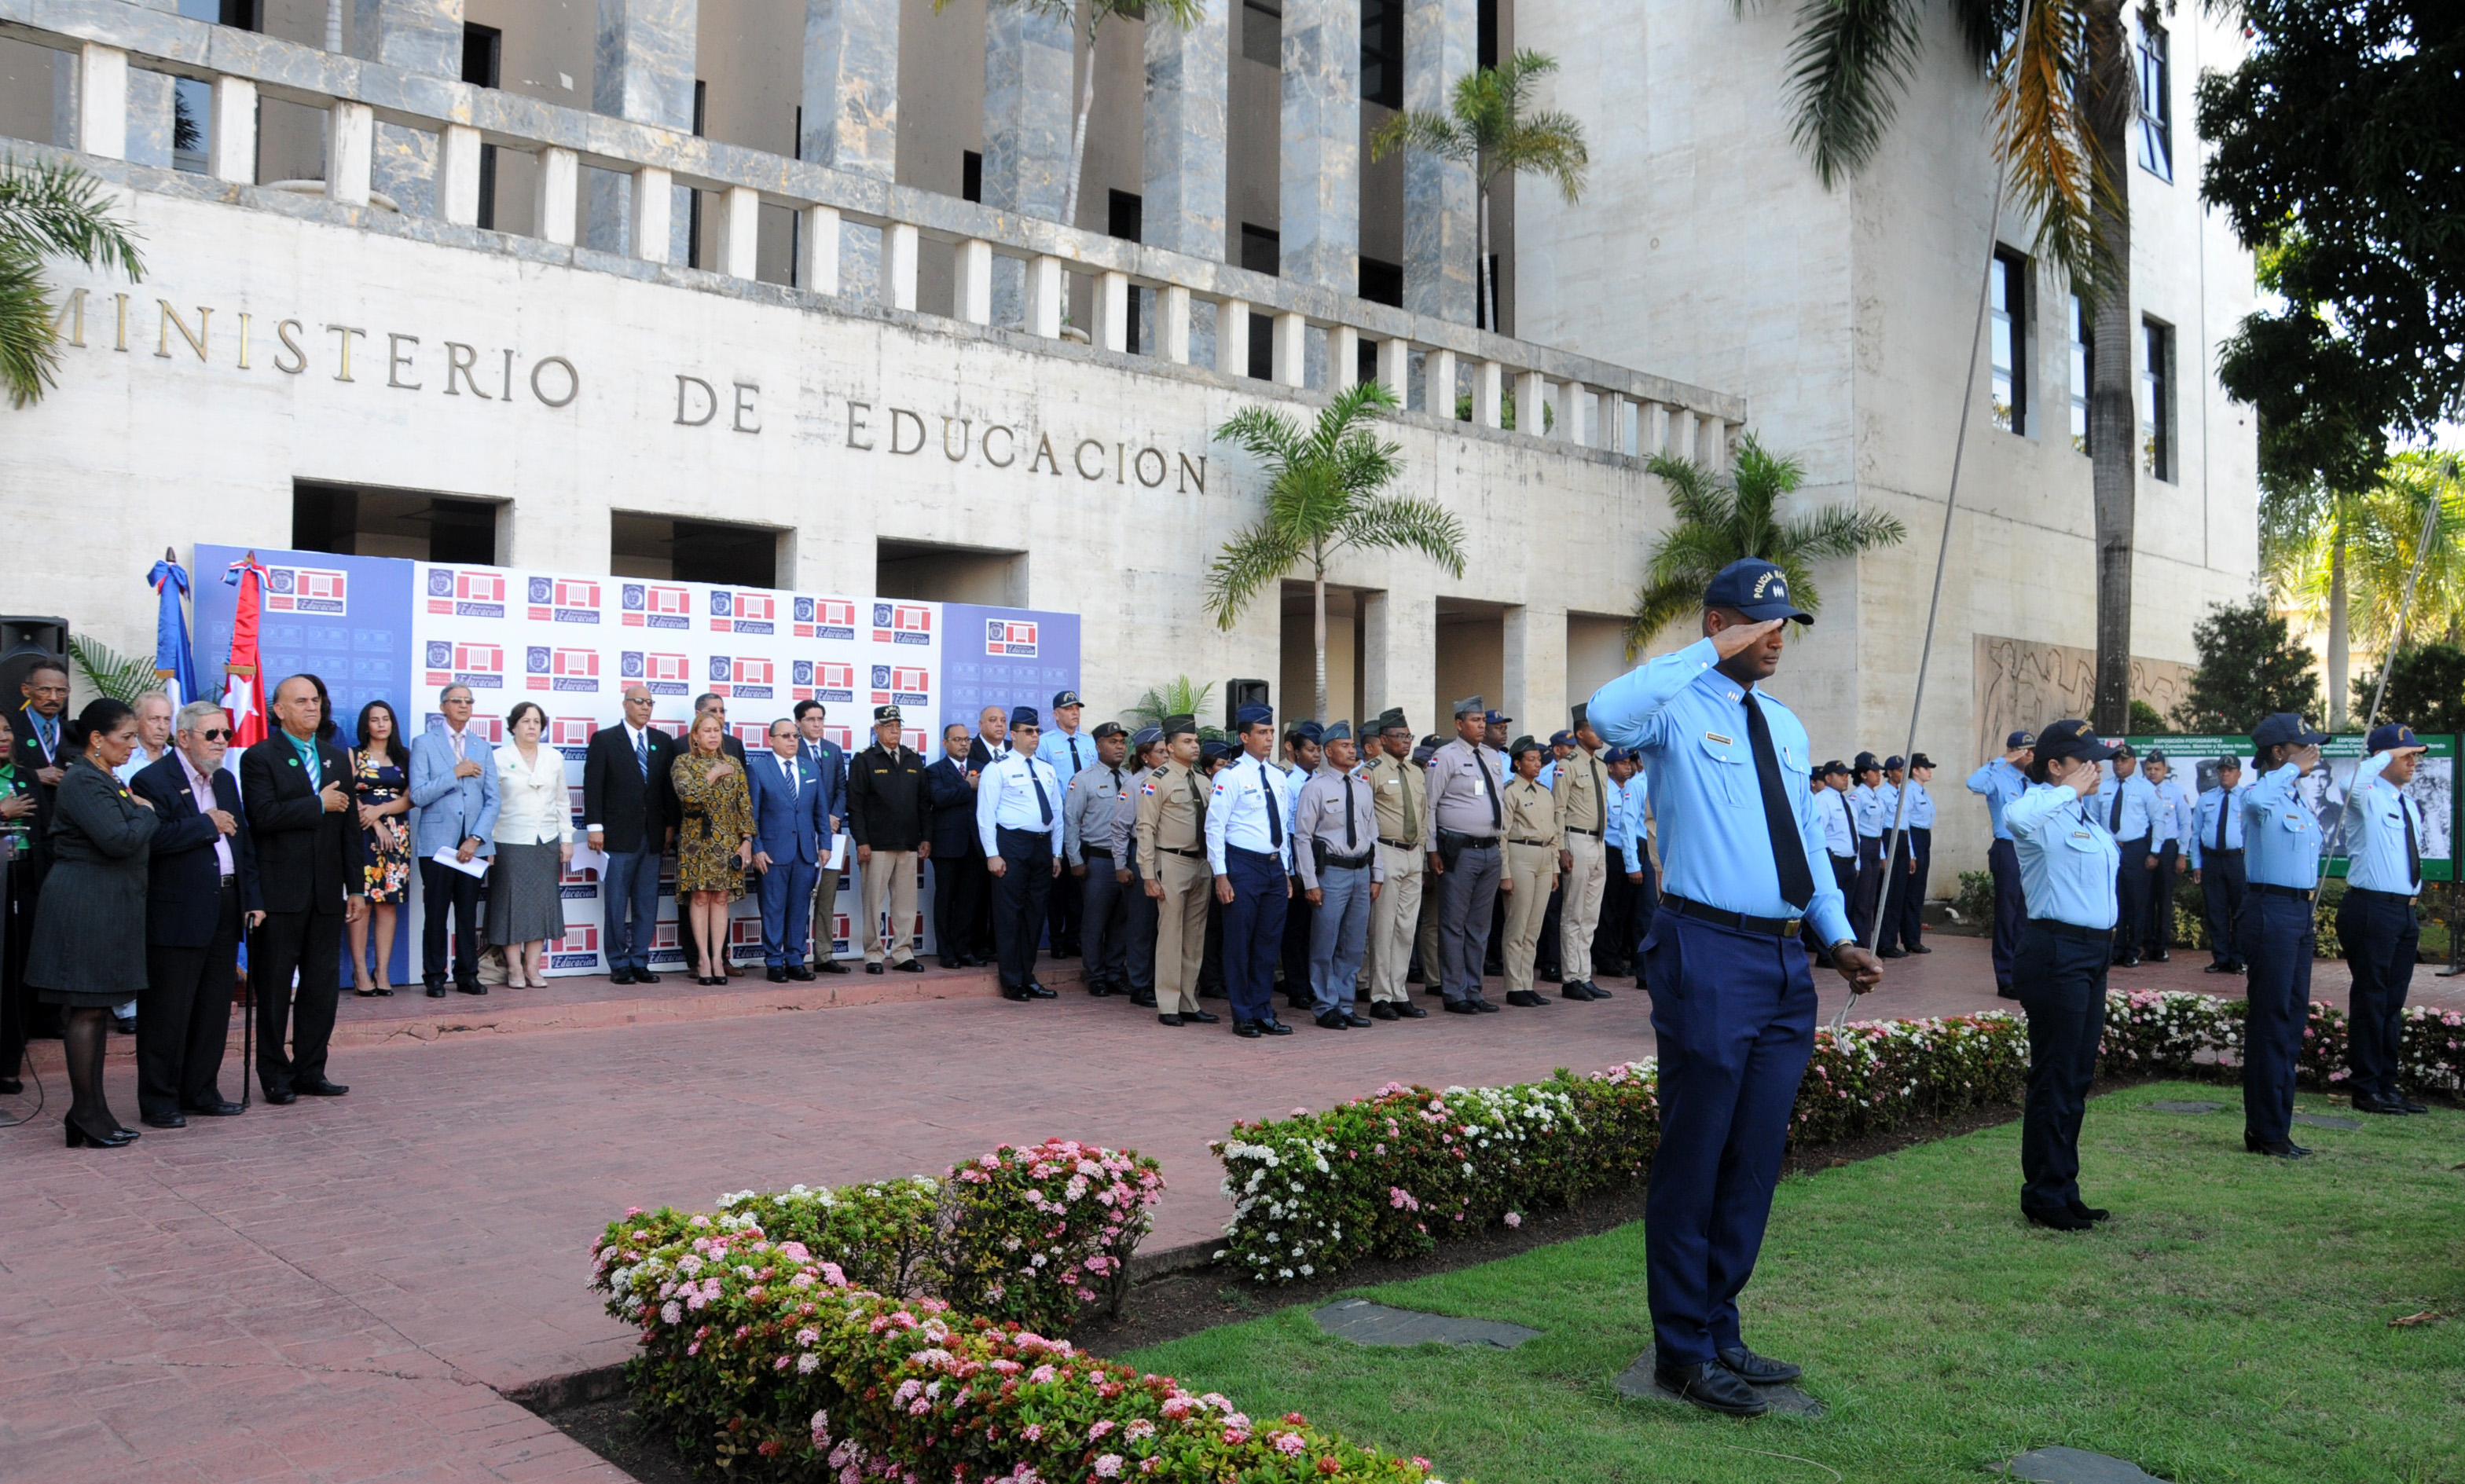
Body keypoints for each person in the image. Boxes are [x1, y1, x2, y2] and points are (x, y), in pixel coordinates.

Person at [1587, 557, 1882, 1417]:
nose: (1776, 638)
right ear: (1720, 622)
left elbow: (1803, 847)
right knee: (1697, 1149)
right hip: (1705, 947)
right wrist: (1705, 652)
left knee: (1751, 1157)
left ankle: (1719, 1324)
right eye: (1760, 623)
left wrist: (1837, 937)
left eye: (1783, 624)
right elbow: (1605, 715)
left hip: (1787, 957)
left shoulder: (1784, 727)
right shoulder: (1674, 709)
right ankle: (1678, 1347)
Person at [2005, 719, 2123, 1232]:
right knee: (2054, 1075)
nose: (2096, 768)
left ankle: (2063, 1184)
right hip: (2056, 950)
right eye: (2084, 761)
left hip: (2092, 954)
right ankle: (2043, 1194)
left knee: (2075, 1075)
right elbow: (2015, 813)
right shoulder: (2040, 812)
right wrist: (2061, 790)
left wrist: (2072, 793)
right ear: (2054, 766)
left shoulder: (2084, 817)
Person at [27, 698, 156, 1145]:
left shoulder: (105, 778)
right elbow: (119, 840)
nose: (132, 746)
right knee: (85, 1008)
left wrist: (136, 808)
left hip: (106, 903)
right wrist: (146, 810)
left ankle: (93, 1111)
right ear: (97, 740)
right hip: (85, 905)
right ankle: (85, 1113)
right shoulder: (83, 780)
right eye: (126, 738)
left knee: (97, 1010)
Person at [129, 701, 260, 1127]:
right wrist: (206, 824)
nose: (222, 742)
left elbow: (243, 844)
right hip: (177, 911)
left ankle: (201, 1091)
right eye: (212, 734)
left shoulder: (225, 780)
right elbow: (151, 840)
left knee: (212, 1007)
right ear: (183, 737)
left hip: (224, 905)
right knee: (168, 1010)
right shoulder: (151, 780)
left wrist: (252, 898)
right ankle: (160, 1100)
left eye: (226, 734)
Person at [240, 674, 367, 1103]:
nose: (312, 707)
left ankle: (311, 1070)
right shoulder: (259, 758)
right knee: (275, 989)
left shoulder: (334, 757)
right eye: (301, 701)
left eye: (316, 700)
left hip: (327, 893)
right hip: (280, 895)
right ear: (279, 710)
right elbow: (262, 816)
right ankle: (275, 1075)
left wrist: (357, 886)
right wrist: (317, 803)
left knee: (321, 988)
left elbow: (350, 829)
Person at [2239, 712, 2330, 1159]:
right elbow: (2257, 804)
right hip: (2269, 908)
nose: (2313, 753)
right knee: (2271, 1021)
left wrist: (2295, 772)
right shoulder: (2261, 792)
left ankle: (2279, 1126)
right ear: (2278, 752)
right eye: (2303, 746)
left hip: (2298, 911)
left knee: (2291, 1022)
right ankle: (2264, 1130)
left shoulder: (2294, 798)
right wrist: (2292, 769)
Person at [2338, 723, 2432, 1116]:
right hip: (2371, 908)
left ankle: (2386, 1085)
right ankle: (2364, 1088)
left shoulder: (2406, 802)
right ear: (2384, 758)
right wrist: (2382, 756)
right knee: (2371, 998)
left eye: (2414, 755)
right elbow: (2350, 782)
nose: (2412, 761)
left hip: (2404, 911)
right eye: (2405, 754)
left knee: (2392, 1003)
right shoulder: (2367, 794)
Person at [1207, 703, 1295, 1037]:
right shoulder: (1230, 776)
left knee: (1267, 944)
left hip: (1273, 867)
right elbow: (1215, 827)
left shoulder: (1277, 776)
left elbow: (1283, 828)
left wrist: (1285, 871)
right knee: (1239, 942)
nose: (1269, 738)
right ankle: (1242, 1013)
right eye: (1262, 733)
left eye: (1271, 732)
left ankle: (1263, 1010)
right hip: (1242, 865)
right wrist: (1221, 874)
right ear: (1245, 737)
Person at [408, 683, 500, 996]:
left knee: (466, 912)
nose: (463, 706)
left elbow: (493, 799)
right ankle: (434, 975)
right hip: (437, 844)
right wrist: (455, 773)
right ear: (443, 706)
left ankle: (467, 974)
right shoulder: (424, 743)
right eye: (456, 701)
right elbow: (419, 795)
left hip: (472, 845)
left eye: (468, 701)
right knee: (435, 912)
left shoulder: (482, 746)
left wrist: (476, 838)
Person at [583, 685, 678, 985]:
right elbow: (593, 785)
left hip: (652, 837)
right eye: (639, 701)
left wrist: (669, 826)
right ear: (625, 704)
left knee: (646, 903)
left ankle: (640, 960)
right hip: (617, 836)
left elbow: (666, 789)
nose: (645, 707)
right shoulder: (605, 739)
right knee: (615, 902)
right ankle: (618, 963)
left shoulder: (662, 742)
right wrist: (595, 827)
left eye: (650, 702)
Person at [1293, 720, 1378, 1030]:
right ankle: (1325, 1005)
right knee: (1325, 942)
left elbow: (1372, 832)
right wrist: (1311, 882)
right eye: (1344, 745)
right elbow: (1302, 837)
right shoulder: (1315, 788)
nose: (1351, 749)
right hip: (1331, 872)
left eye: (1352, 745)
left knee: (1353, 943)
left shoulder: (1362, 787)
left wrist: (1376, 873)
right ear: (1329, 751)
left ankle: (1345, 1004)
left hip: (1359, 871)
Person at [1425, 696, 1507, 1015]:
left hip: (1490, 850)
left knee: (1479, 926)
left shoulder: (1493, 756)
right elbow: (1429, 806)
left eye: (1483, 721)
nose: (1481, 725)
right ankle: (1454, 991)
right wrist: (1432, 849)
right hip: (1458, 850)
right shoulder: (1444, 757)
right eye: (1475, 721)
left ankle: (1474, 989)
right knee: (1454, 924)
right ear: (1459, 724)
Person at [1135, 715, 1217, 1028]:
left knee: (1194, 938)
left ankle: (1188, 1001)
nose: (1194, 746)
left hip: (1201, 863)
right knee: (1170, 936)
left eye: (1196, 741)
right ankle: (1168, 1003)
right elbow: (1145, 829)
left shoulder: (1203, 781)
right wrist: (1147, 874)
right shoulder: (1157, 780)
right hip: (1171, 862)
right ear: (1169, 747)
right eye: (1187, 741)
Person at [978, 705, 1063, 1002]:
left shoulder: (1047, 769)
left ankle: (1029, 977)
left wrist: (1056, 854)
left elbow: (1058, 814)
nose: (1035, 736)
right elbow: (985, 815)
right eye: (1029, 731)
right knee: (1009, 915)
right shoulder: (997, 768)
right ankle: (1011, 980)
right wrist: (993, 854)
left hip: (1042, 846)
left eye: (1038, 731)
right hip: (1011, 845)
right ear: (1013, 735)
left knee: (1035, 915)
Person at [487, 702, 570, 988]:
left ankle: (533, 968)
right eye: (525, 721)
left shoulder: (554, 757)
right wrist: (486, 844)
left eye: (537, 721)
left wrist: (567, 838)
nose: (532, 726)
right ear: (513, 726)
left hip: (545, 840)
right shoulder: (498, 757)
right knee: (510, 906)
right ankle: (513, 969)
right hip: (508, 841)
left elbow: (562, 801)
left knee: (540, 907)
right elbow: (490, 805)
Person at [848, 705, 932, 975]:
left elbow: (924, 802)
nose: (894, 731)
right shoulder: (864, 760)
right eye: (888, 726)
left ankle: (903, 953)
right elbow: (856, 804)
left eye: (898, 726)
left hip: (908, 843)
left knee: (906, 904)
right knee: (873, 904)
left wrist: (926, 837)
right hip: (876, 845)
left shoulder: (912, 758)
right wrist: (861, 841)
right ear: (877, 730)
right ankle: (874, 954)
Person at [671, 713, 754, 986]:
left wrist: (746, 841)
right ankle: (703, 959)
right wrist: (713, 774)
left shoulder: (734, 763)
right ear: (695, 736)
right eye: (706, 730)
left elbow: (745, 805)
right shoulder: (683, 762)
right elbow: (689, 796)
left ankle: (719, 957)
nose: (713, 735)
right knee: (700, 897)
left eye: (717, 730)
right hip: (697, 840)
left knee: (720, 898)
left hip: (728, 840)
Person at [748, 716, 827, 982]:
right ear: (771, 740)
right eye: (785, 736)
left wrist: (825, 844)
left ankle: (795, 959)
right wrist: (756, 848)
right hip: (772, 852)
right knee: (773, 908)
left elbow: (821, 811)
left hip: (805, 851)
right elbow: (752, 816)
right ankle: (774, 962)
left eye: (794, 735)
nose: (792, 740)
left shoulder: (810, 769)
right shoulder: (759, 769)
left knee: (798, 908)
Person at [1360, 709, 1428, 1021]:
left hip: (1413, 853)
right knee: (1383, 927)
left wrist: (1424, 855)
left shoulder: (1415, 772)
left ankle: (1400, 993)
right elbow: (1363, 817)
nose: (1406, 742)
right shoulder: (1371, 771)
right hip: (1386, 852)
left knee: (1405, 928)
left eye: (1409, 736)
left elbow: (1425, 814)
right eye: (1400, 737)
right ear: (1383, 740)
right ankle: (1380, 995)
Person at [346, 700, 413, 995]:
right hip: (362, 831)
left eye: (386, 718)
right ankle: (360, 971)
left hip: (397, 836)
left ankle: (382, 971)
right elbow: (346, 793)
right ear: (366, 725)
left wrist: (382, 811)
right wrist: (374, 821)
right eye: (375, 720)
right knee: (363, 902)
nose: (381, 724)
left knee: (388, 904)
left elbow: (411, 798)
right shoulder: (353, 754)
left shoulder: (404, 756)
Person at [1062, 720, 1132, 995]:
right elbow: (1071, 822)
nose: (1119, 747)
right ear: (1098, 745)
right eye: (1113, 742)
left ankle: (1115, 973)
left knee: (1121, 921)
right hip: (1098, 861)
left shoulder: (1130, 779)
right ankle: (1096, 976)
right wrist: (1075, 860)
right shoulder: (1083, 779)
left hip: (1124, 861)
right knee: (1095, 922)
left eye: (1122, 742)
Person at [1967, 731, 2035, 998]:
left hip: (2031, 851)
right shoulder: (1998, 776)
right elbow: (1973, 783)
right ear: (2012, 751)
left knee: (2025, 916)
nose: (2030, 755)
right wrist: (2003, 760)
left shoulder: (2034, 780)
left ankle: (2023, 973)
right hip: (2008, 849)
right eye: (2024, 750)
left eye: (2032, 750)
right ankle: (2005, 978)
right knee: (2007, 917)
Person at [1497, 735, 1563, 1009]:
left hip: (1544, 857)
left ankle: (1527, 983)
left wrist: (1556, 868)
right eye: (1531, 760)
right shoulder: (1510, 791)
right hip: (1520, 854)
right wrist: (1505, 872)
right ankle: (1514, 986)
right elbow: (1502, 833)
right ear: (1517, 763)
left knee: (1533, 927)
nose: (1538, 764)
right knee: (1518, 923)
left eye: (1539, 760)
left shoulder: (1544, 792)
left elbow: (1554, 832)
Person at [790, 700, 853, 975]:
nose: (817, 724)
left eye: (820, 719)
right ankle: (792, 955)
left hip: (831, 835)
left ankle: (824, 954)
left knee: (826, 897)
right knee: (797, 898)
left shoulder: (833, 751)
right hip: (801, 835)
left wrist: (833, 817)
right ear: (798, 723)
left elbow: (842, 788)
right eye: (811, 719)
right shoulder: (792, 748)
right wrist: (818, 820)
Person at [2092, 743, 2159, 969]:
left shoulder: (2145, 788)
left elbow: (2158, 820)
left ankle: (2133, 950)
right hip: (2110, 849)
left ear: (2133, 762)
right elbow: (2092, 818)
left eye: (2123, 760)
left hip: (2135, 849)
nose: (2118, 764)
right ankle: (2116, 949)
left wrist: (2154, 852)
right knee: (2113, 900)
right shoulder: (2103, 787)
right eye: (2116, 761)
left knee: (2136, 902)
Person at [0, 713, 39, 1094]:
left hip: (23, 881)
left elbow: (45, 833)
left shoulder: (25, 777)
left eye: (7, 729)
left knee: (18, 975)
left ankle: (9, 1064)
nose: (3, 737)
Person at [924, 723, 982, 969]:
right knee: (946, 899)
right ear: (945, 743)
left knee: (969, 900)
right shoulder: (935, 771)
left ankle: (963, 948)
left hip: (975, 844)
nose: (964, 744)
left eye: (967, 739)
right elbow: (939, 798)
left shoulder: (982, 769)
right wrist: (966, 786)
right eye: (957, 740)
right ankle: (946, 951)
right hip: (946, 845)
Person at [2187, 754, 2249, 976]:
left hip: (2237, 860)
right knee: (2216, 911)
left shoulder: (2247, 798)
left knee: (2240, 912)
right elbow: (2195, 835)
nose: (2224, 773)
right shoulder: (2206, 799)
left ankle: (2238, 958)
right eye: (2222, 769)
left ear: (2238, 774)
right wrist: (2197, 864)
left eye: (2229, 770)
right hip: (2212, 860)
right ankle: (2220, 958)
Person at [1044, 690, 1095, 959]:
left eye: (1077, 708)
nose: (1074, 712)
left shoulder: (1089, 743)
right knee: (1058, 887)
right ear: (1056, 714)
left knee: (1079, 884)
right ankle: (1057, 939)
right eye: (1068, 709)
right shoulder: (1045, 743)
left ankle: (1075, 937)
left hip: (1087, 823)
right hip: (1059, 824)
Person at [1277, 720, 1323, 1009]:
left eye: (1318, 749)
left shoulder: (1319, 780)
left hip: (1319, 860)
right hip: (1296, 860)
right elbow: (1287, 829)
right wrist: (1292, 871)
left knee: (1312, 930)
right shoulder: (1287, 781)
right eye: (1310, 749)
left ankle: (1311, 983)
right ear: (1293, 751)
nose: (1316, 754)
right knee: (1295, 930)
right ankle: (1297, 988)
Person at [1118, 726, 1165, 1008]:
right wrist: (1119, 865)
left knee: (1164, 925)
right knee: (1141, 925)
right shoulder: (1134, 786)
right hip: (1141, 854)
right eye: (1160, 751)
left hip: (1168, 855)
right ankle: (1139, 984)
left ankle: (1160, 982)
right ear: (1146, 756)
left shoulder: (1171, 781)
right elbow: (1120, 829)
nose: (1165, 755)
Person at [1602, 746, 1652, 980]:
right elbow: (1625, 825)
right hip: (1617, 852)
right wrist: (1632, 863)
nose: (1628, 766)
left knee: (1631, 910)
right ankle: (1611, 960)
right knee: (1615, 911)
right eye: (1623, 763)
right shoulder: (1622, 788)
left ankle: (1628, 958)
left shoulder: (1637, 785)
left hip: (1638, 850)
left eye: (1629, 762)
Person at [1887, 753, 1937, 955]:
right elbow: (1905, 821)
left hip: (1924, 837)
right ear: (1915, 770)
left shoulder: (1924, 792)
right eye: (1925, 767)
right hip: (1913, 837)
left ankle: (1913, 938)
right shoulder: (1908, 791)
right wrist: (1912, 852)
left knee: (1918, 891)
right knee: (1910, 892)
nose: (1929, 771)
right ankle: (1910, 939)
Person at [1808, 761, 1857, 964]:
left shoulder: (1846, 802)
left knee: (1845, 907)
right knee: (1827, 904)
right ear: (1828, 778)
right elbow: (1818, 832)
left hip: (1849, 862)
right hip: (1832, 861)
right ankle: (1826, 954)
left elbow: (1852, 834)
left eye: (1846, 774)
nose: (1846, 778)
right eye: (1840, 774)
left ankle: (1842, 946)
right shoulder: (1823, 800)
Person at [1847, 752, 1887, 946]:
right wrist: (1856, 860)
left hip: (1875, 846)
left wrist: (1882, 855)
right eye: (1874, 771)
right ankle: (1861, 944)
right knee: (1862, 901)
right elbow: (1853, 828)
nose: (1878, 775)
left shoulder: (1876, 797)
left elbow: (1879, 829)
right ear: (1863, 774)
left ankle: (1868, 942)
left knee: (1871, 899)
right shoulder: (1857, 797)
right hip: (1863, 847)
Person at [112, 689, 175, 785]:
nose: (162, 726)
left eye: (167, 719)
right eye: (154, 719)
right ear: (137, 721)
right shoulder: (122, 759)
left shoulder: (179, 757)